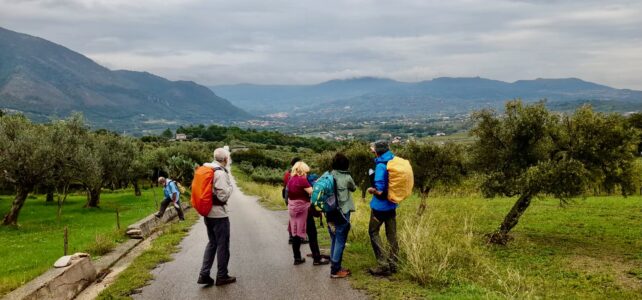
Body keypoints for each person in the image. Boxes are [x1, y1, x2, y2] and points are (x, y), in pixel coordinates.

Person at [197, 148, 236, 286]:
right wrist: (231, 187)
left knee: (212, 243)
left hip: (208, 212)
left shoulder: (206, 168)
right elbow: (223, 195)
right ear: (225, 159)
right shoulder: (219, 173)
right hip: (219, 214)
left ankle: (204, 274)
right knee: (222, 245)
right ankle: (222, 276)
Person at [287, 161, 329, 266]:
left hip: (293, 210)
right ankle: (317, 259)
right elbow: (313, 192)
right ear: (302, 170)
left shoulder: (290, 180)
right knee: (312, 234)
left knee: (295, 233)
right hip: (303, 210)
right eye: (306, 171)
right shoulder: (302, 180)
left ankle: (297, 258)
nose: (307, 173)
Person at [367, 140, 399, 277]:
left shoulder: (380, 166)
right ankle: (394, 264)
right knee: (392, 235)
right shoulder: (393, 161)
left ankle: (383, 265)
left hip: (379, 207)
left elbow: (379, 190)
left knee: (373, 232)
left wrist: (371, 190)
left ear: (378, 151)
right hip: (392, 205)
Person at [327, 153, 357, 278]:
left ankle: (335, 265)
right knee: (340, 239)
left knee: (334, 238)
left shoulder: (328, 175)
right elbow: (353, 188)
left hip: (329, 211)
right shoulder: (347, 177)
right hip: (342, 212)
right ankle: (335, 270)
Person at [283, 157, 301, 245]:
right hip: (298, 200)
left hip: (289, 199)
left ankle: (291, 236)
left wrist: (286, 200)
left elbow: (285, 187)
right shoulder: (299, 174)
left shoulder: (287, 174)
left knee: (292, 218)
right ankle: (297, 237)